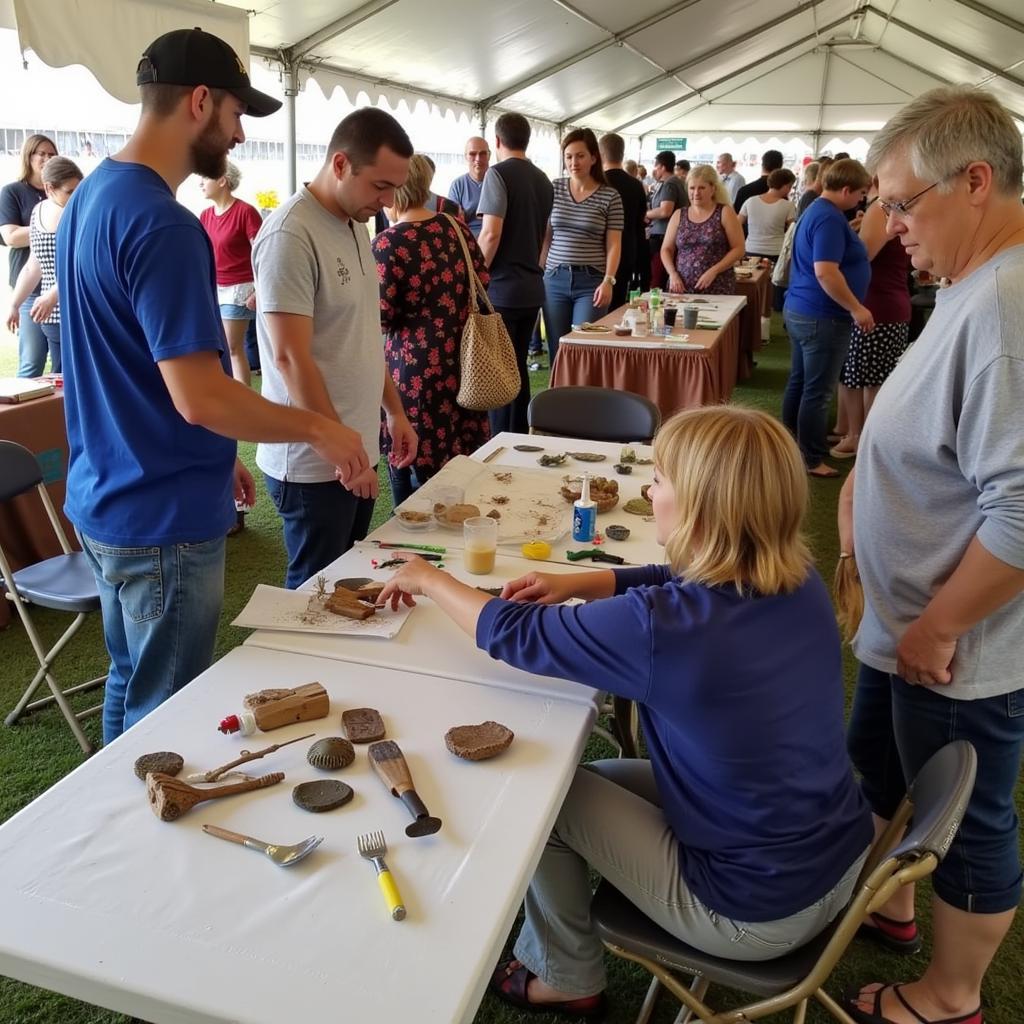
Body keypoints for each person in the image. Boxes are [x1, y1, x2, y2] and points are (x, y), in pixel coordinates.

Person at [377, 406, 872, 1017]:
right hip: (836, 860)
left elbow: (511, 633)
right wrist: (587, 583)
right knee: (579, 782)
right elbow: (671, 573)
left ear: (696, 506)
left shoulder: (668, 628)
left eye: (660, 480)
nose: (648, 490)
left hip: (752, 912)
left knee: (542, 804)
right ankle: (563, 949)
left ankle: (567, 976)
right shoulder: (795, 580)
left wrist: (427, 578)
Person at [57, 27, 374, 744]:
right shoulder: (164, 224)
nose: (236, 135)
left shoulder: (90, 198)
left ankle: (113, 818)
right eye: (235, 115)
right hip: (160, 516)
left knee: (127, 680)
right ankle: (140, 846)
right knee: (163, 712)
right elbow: (200, 394)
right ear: (200, 101)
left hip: (108, 497)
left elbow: (128, 365)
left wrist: (212, 450)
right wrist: (322, 428)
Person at [840, 86, 1024, 1024]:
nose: (889, 224)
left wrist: (941, 625)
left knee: (971, 818)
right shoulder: (968, 283)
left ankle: (949, 999)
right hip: (907, 624)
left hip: (954, 648)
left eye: (903, 203)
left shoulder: (1005, 308)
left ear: (976, 182)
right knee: (880, 770)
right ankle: (896, 908)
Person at [254, 107, 419, 590]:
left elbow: (364, 335)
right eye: (380, 186)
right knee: (313, 590)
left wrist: (394, 411)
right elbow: (289, 357)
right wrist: (341, 450)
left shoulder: (353, 223)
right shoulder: (291, 233)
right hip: (312, 463)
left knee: (347, 581)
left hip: (354, 446)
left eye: (394, 188)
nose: (388, 201)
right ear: (341, 164)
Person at [373, 154, 490, 504]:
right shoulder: (457, 229)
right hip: (466, 363)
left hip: (412, 375)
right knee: (459, 465)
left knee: (406, 462)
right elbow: (483, 281)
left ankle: (411, 541)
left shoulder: (387, 244)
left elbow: (378, 316)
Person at [781, 158, 872, 478]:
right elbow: (826, 271)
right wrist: (856, 307)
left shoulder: (819, 211)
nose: (862, 199)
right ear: (846, 189)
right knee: (817, 392)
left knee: (801, 383)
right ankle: (810, 458)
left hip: (804, 309)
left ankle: (791, 446)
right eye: (860, 193)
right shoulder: (829, 219)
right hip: (823, 315)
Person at [476, 112, 553, 434]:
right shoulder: (543, 179)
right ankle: (519, 436)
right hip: (532, 287)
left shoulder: (498, 175)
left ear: (496, 141)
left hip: (503, 289)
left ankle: (499, 441)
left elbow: (490, 234)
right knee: (517, 367)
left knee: (497, 372)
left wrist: (475, 274)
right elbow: (547, 234)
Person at [829, 193, 911, 459]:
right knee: (864, 377)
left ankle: (860, 438)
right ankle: (857, 434)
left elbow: (862, 257)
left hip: (876, 308)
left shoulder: (881, 208)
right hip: (889, 305)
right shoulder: (895, 208)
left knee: (862, 379)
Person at [541, 128, 623, 364]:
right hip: (554, 278)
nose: (573, 162)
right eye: (568, 156)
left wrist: (609, 280)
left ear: (594, 158)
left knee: (584, 348)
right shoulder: (554, 188)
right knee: (557, 347)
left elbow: (614, 244)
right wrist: (541, 270)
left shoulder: (610, 196)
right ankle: (557, 398)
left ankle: (584, 398)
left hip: (591, 282)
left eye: (580, 156)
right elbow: (546, 235)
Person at [5, 157, 83, 373]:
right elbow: (34, 265)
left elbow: (80, 266)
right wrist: (15, 304)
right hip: (52, 316)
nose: (75, 196)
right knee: (60, 378)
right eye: (69, 191)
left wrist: (51, 295)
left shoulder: (79, 214)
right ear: (49, 188)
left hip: (76, 309)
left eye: (79, 189)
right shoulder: (37, 212)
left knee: (69, 376)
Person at [199, 159, 263, 385]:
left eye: (205, 178)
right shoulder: (205, 215)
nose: (201, 183)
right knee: (221, 348)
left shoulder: (245, 212)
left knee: (232, 347)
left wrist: (258, 290)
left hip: (239, 289)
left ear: (222, 181)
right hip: (214, 288)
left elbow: (261, 253)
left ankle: (242, 400)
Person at [1, 134, 57, 377]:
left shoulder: (60, 191)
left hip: (56, 283)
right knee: (32, 361)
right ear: (28, 156)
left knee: (61, 365)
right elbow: (10, 236)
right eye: (41, 153)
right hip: (28, 286)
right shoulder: (13, 192)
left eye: (51, 154)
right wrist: (46, 225)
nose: (46, 158)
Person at [661, 164, 745, 295]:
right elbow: (666, 249)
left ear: (713, 189)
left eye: (701, 188)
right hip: (681, 287)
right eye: (692, 188)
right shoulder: (679, 214)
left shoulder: (724, 212)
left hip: (717, 286)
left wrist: (714, 271)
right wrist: (672, 274)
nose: (696, 193)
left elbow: (739, 249)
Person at [599, 131, 649, 306]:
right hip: (628, 250)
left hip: (599, 252)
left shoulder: (598, 183)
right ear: (622, 153)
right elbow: (640, 222)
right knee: (618, 302)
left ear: (600, 154)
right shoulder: (636, 185)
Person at [644, 150, 685, 288]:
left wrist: (645, 214)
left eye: (656, 166)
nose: (654, 170)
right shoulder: (674, 182)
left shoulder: (670, 184)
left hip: (663, 236)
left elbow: (665, 211)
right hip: (666, 235)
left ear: (662, 166)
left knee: (657, 278)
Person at [738, 168, 797, 261]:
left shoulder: (750, 201)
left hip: (751, 250)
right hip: (776, 252)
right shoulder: (788, 205)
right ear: (785, 186)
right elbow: (792, 231)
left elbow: (736, 224)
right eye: (790, 186)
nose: (789, 190)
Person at [447, 136, 490, 236]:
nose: (478, 159)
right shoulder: (458, 185)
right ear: (466, 156)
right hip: (467, 240)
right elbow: (453, 221)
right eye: (472, 154)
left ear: (489, 156)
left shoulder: (499, 182)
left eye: (483, 154)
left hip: (495, 239)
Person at [734, 149, 784, 213]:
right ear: (781, 167)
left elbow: (735, 217)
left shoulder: (744, 191)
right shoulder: (782, 192)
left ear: (762, 165)